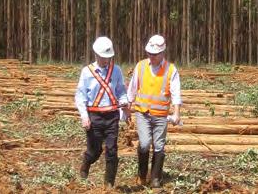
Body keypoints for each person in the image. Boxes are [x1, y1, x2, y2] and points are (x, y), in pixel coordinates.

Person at [127, 34, 182, 187]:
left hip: (160, 116)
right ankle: (142, 175)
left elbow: (176, 92)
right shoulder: (141, 66)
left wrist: (176, 112)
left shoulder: (171, 70)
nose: (151, 56)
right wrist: (127, 106)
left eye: (155, 54)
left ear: (162, 53)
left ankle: (155, 178)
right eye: (149, 53)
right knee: (144, 144)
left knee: (159, 145)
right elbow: (132, 87)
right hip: (142, 113)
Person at [75, 36, 129, 188]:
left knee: (112, 151)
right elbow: (80, 96)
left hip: (112, 116)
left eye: (108, 57)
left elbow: (121, 91)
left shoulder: (116, 70)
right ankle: (86, 162)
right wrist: (84, 117)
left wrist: (124, 101)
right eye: (103, 57)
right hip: (95, 117)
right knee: (95, 151)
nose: (106, 60)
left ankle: (109, 184)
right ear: (96, 55)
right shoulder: (87, 72)